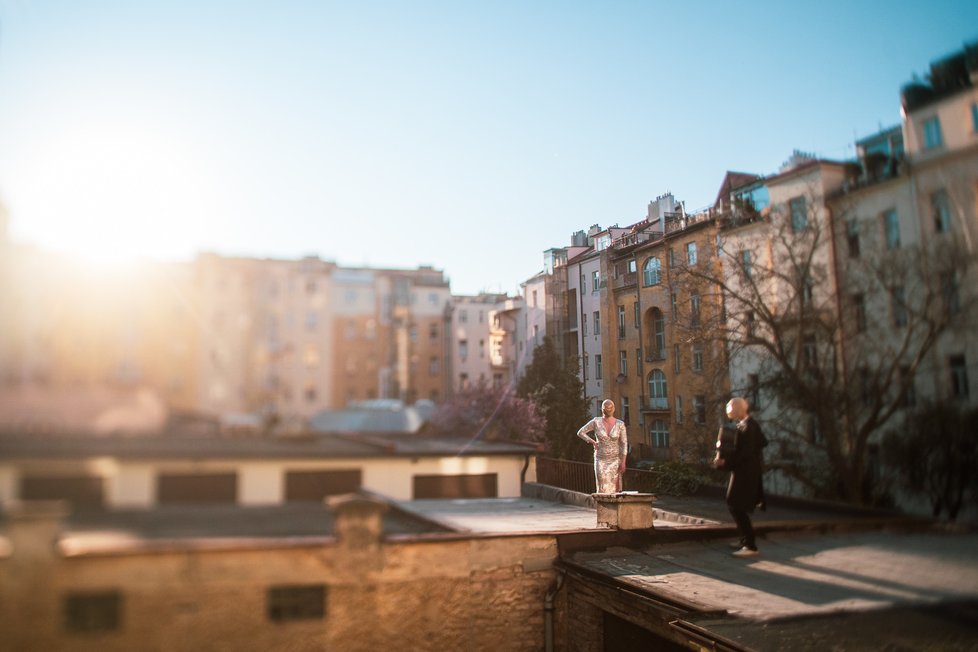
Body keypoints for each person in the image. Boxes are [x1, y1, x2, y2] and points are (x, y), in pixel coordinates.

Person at [714, 396, 767, 557]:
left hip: (746, 473)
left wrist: (725, 461)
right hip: (743, 471)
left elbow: (746, 453)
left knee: (736, 505)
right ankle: (745, 540)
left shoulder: (749, 427)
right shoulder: (746, 425)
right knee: (735, 504)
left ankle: (750, 545)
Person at [577, 399, 628, 494]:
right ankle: (602, 507)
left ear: (614, 409)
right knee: (602, 486)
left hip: (615, 460)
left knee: (614, 488)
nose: (608, 410)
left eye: (610, 408)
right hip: (600, 459)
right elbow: (580, 432)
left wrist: (623, 462)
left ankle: (613, 508)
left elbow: (624, 443)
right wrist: (592, 441)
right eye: (606, 408)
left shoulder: (620, 424)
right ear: (602, 409)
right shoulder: (596, 422)